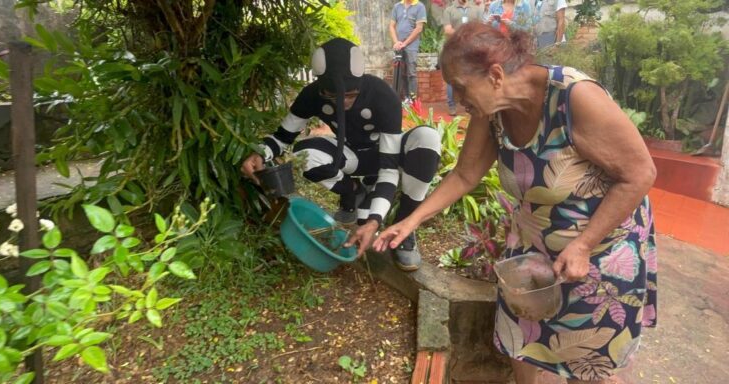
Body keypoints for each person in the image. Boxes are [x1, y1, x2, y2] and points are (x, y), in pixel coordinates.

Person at [374, 23, 658, 383]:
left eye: (460, 87)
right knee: (520, 339)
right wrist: (411, 221)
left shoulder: (574, 97)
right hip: (532, 246)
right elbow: (465, 174)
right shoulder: (492, 110)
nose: (457, 99)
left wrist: (583, 246)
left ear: (495, 75)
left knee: (589, 358)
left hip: (601, 246)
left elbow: (639, 174)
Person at [241, 38, 441, 271]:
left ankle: (404, 224)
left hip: (386, 156)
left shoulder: (382, 94)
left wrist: (375, 220)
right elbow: (282, 137)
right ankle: (354, 192)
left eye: (351, 94)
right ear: (320, 87)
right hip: (350, 155)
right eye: (332, 95)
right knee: (304, 154)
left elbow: (388, 168)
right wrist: (260, 154)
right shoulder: (311, 95)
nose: (342, 102)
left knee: (428, 139)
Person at [441, 0, 486, 115]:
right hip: (454, 49)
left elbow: (480, 28)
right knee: (452, 77)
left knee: (472, 76)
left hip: (472, 49)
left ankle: (472, 104)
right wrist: (466, 35)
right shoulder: (449, 10)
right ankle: (452, 106)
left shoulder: (476, 10)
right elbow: (447, 30)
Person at [389, 0, 427, 102]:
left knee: (411, 73)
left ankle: (413, 99)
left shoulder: (420, 6)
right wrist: (396, 42)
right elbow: (391, 26)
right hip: (398, 45)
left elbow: (419, 29)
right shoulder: (397, 6)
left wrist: (405, 43)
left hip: (411, 46)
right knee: (400, 72)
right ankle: (406, 97)